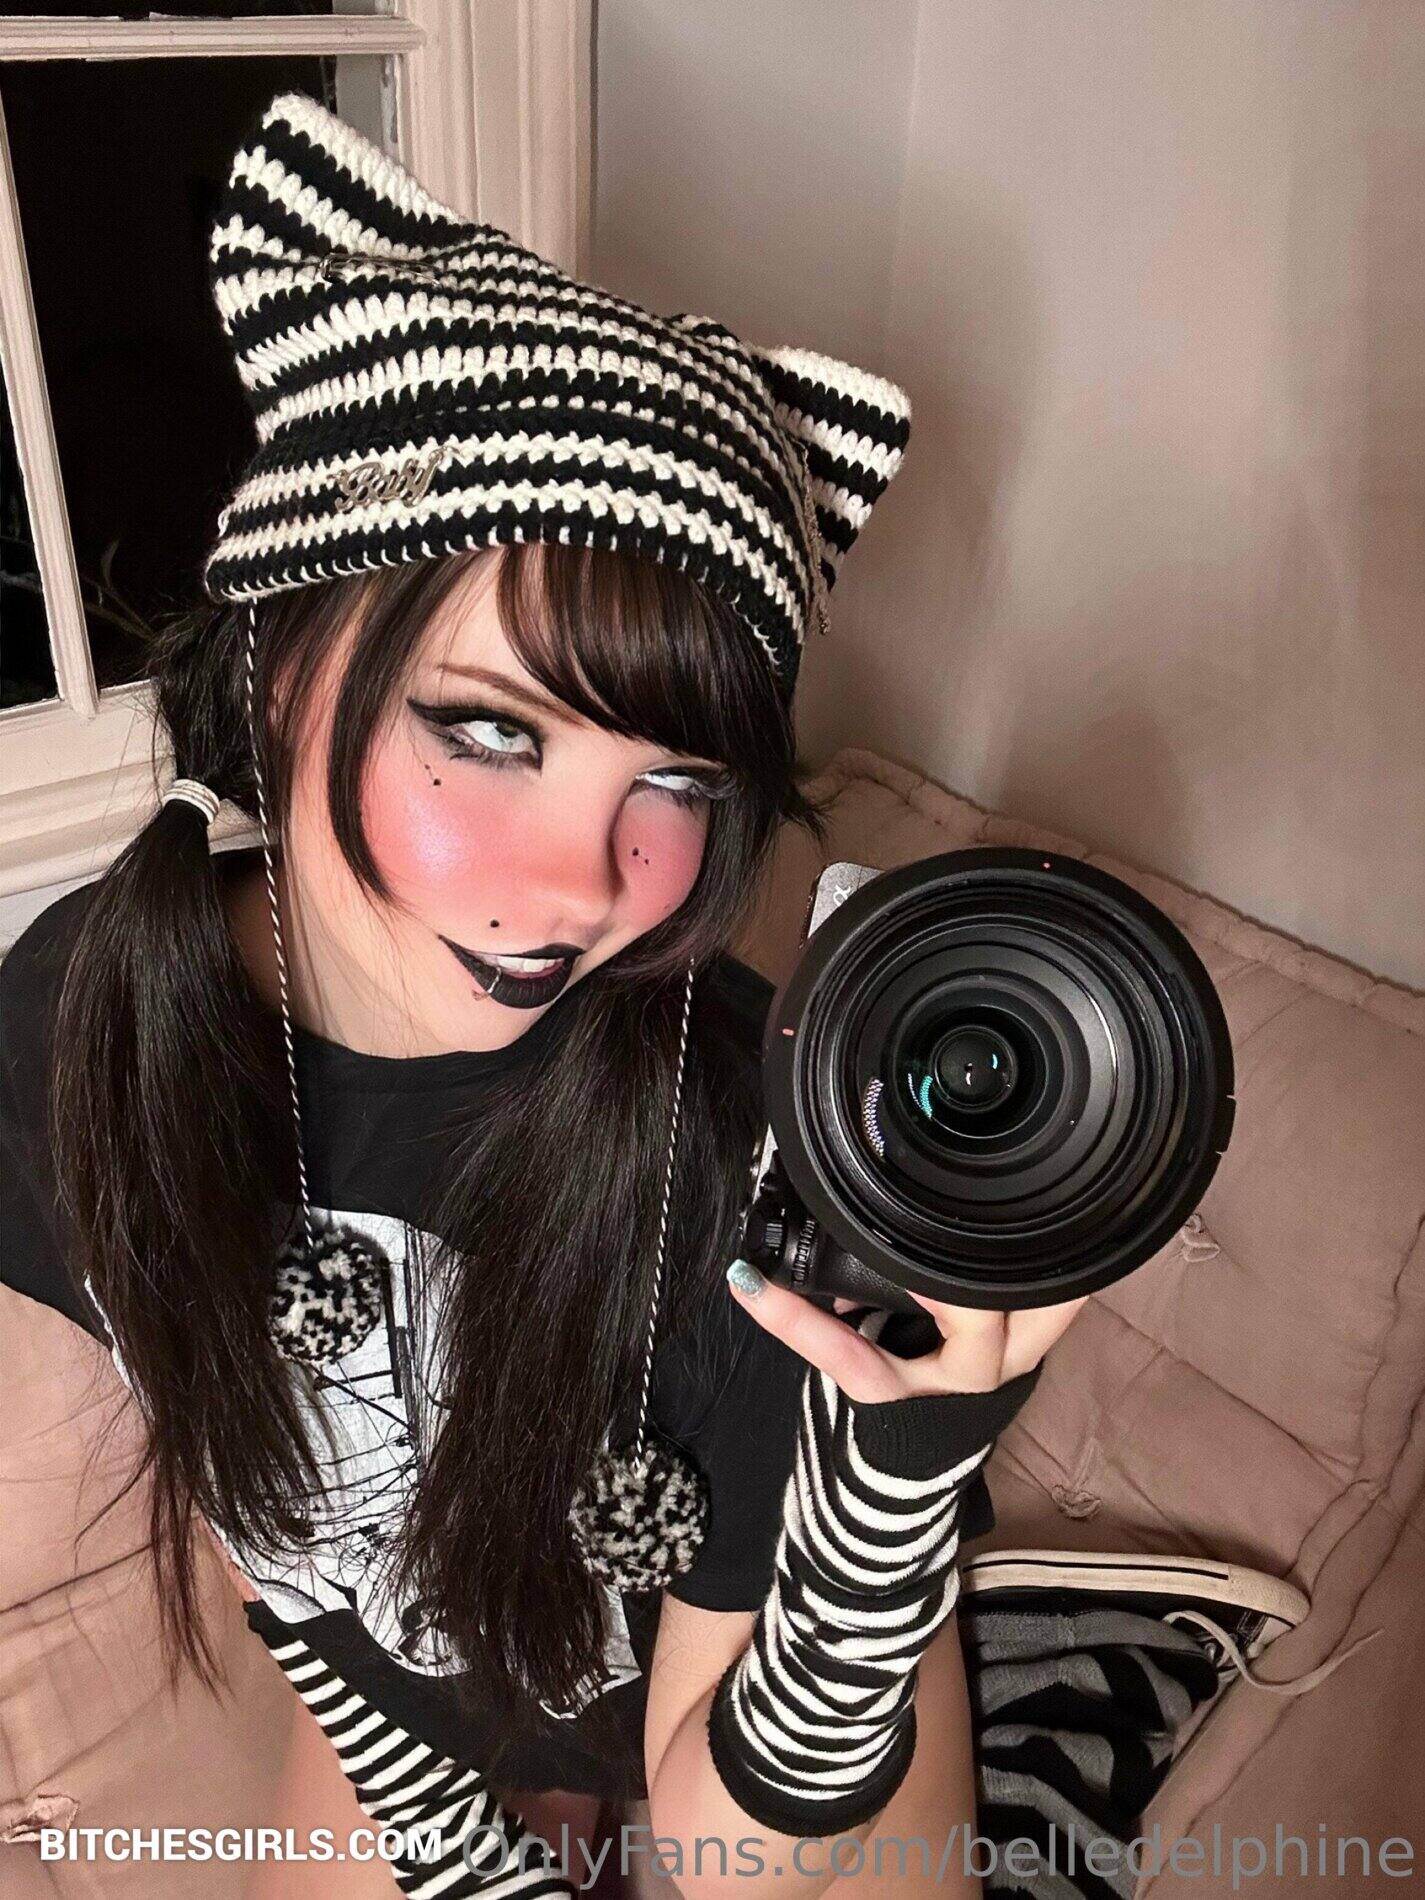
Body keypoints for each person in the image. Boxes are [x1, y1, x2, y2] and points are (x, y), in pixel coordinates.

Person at [0, 91, 1104, 1900]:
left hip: (768, 1693)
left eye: (672, 782)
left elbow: (736, 1850)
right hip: (425, 1708)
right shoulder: (82, 1021)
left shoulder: (750, 1156)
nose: (587, 885)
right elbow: (276, 1535)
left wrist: (888, 1500)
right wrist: (448, 1839)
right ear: (276, 666)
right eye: (488, 732)